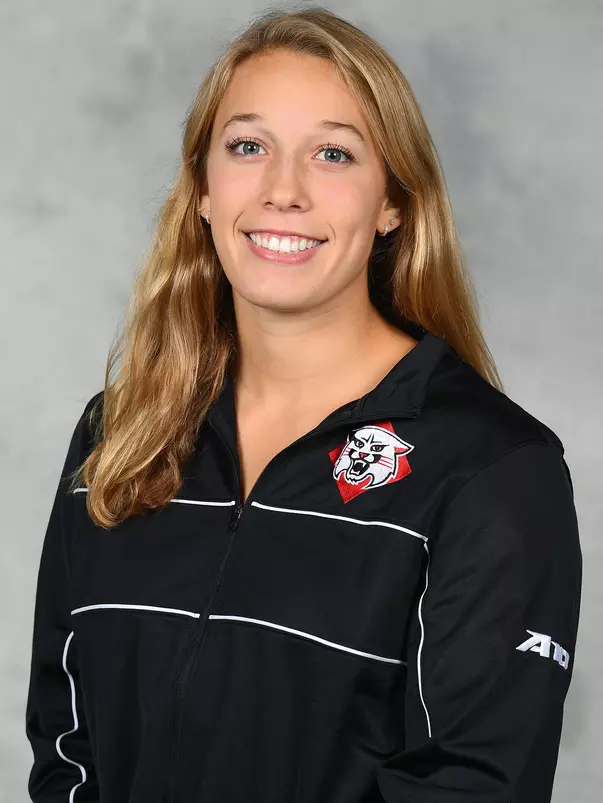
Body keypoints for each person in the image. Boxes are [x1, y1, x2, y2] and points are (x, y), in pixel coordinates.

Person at [25, 6, 582, 803]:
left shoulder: (490, 469)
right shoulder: (119, 433)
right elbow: (66, 747)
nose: (282, 191)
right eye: (247, 147)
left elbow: (471, 785)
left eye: (332, 154)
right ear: (203, 188)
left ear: (392, 202)